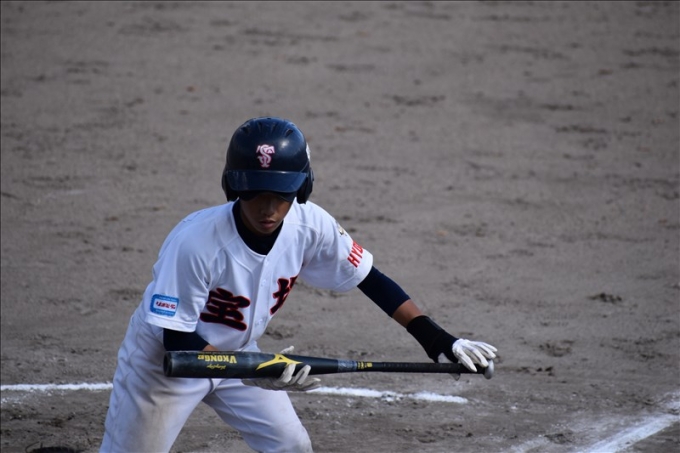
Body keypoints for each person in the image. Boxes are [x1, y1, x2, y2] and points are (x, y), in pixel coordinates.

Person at [100, 116, 497, 453]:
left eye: (281, 194)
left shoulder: (310, 225)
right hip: (166, 367)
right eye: (255, 192)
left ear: (301, 189)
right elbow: (176, 339)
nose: (268, 208)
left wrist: (436, 338)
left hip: (241, 354)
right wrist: (253, 372)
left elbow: (370, 279)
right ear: (235, 186)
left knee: (292, 446)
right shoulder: (195, 243)